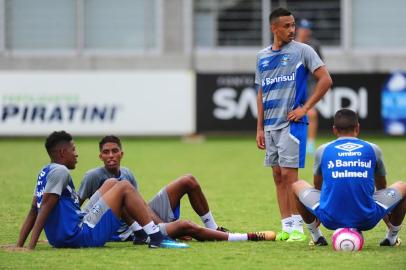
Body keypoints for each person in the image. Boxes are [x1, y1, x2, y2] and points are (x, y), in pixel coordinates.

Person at [78, 135, 275, 243]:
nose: (111, 155)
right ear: (100, 157)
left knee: (188, 180)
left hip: (145, 220)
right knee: (184, 225)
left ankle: (213, 228)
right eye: (106, 152)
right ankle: (244, 237)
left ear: (122, 154)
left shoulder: (127, 174)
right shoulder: (93, 177)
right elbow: (77, 208)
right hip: (130, 233)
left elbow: (138, 206)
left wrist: (159, 223)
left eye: (114, 151)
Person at [16, 130, 187, 250]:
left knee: (112, 182)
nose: (76, 154)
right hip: (78, 236)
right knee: (125, 186)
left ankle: (140, 234)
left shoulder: (45, 171)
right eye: (73, 149)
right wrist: (30, 247)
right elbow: (44, 207)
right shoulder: (61, 171)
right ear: (62, 152)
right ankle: (156, 237)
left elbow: (34, 209)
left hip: (71, 230)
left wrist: (20, 244)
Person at [255, 7, 333, 242]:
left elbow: (326, 79)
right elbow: (261, 92)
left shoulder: (303, 51)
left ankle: (300, 228)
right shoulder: (262, 56)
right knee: (278, 176)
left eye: (293, 25)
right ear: (274, 28)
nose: (292, 29)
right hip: (269, 126)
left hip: (292, 125)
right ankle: (287, 226)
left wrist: (305, 108)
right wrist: (259, 127)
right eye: (286, 26)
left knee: (291, 176)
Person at [293, 109, 406, 246]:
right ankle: (391, 237)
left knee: (296, 186)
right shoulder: (373, 149)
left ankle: (316, 236)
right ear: (357, 128)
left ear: (334, 130)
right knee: (402, 186)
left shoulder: (322, 150)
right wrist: (384, 214)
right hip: (367, 218)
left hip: (330, 218)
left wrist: (321, 211)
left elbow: (317, 186)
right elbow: (382, 187)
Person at [295, 19, 324, 154]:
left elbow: (321, 67)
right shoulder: (290, 44)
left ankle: (310, 144)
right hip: (294, 83)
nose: (307, 32)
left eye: (308, 29)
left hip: (310, 82)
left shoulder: (314, 45)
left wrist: (323, 86)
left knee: (311, 113)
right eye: (304, 29)